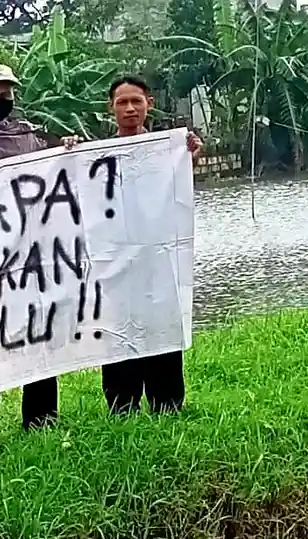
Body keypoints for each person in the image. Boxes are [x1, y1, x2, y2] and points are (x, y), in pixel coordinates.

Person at [0, 63, 78, 460]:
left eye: (4, 94)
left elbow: (57, 175)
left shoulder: (31, 137)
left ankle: (41, 419)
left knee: (39, 331)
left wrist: (68, 151)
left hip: (33, 254)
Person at [99, 75, 203, 415]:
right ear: (110, 108)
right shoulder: (95, 155)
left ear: (149, 105)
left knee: (162, 326)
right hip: (116, 259)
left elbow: (181, 188)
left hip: (159, 257)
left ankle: (168, 404)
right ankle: (122, 405)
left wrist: (190, 157)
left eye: (136, 102)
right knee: (119, 329)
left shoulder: (168, 148)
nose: (130, 109)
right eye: (122, 102)